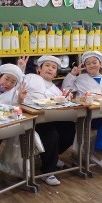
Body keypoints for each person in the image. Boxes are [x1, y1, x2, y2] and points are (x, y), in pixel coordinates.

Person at [62, 50, 102, 177]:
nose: (92, 65)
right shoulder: (80, 79)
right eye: (88, 63)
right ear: (85, 66)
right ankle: (99, 151)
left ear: (100, 63)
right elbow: (66, 89)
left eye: (94, 62)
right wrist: (72, 74)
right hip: (88, 116)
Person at [24, 55, 76, 185]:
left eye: (53, 67)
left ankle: (52, 156)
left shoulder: (56, 90)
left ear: (55, 73)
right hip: (32, 118)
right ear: (38, 69)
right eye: (47, 65)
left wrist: (67, 99)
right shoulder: (30, 78)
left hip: (50, 117)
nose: (50, 69)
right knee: (51, 134)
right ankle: (48, 172)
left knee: (70, 128)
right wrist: (20, 68)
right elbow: (17, 82)